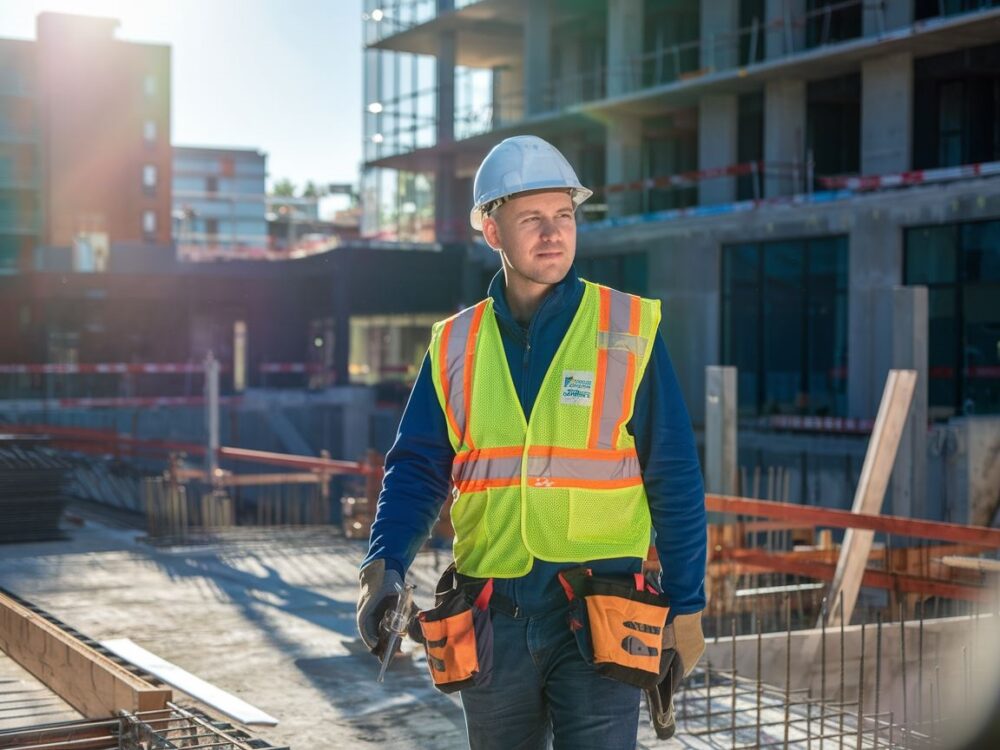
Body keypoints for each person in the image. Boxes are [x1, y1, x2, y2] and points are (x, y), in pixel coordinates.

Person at [357, 135, 707, 750]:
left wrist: (688, 603)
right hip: (493, 621)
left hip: (601, 617)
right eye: (532, 220)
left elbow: (672, 473)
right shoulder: (454, 345)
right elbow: (416, 468)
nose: (553, 233)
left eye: (564, 217)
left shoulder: (626, 329)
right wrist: (383, 566)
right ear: (492, 232)